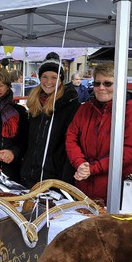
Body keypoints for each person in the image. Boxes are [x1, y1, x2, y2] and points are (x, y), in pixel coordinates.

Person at [66, 62, 132, 204]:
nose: (101, 88)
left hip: (117, 191)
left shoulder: (131, 114)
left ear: (120, 85)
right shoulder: (85, 109)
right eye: (97, 83)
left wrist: (93, 168)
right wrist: (80, 163)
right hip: (84, 186)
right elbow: (71, 138)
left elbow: (131, 151)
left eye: (107, 83)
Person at [20, 52, 80, 188]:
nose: (48, 82)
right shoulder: (34, 102)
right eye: (45, 77)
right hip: (29, 175)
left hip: (54, 178)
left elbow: (71, 144)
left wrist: (65, 179)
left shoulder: (70, 105)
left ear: (61, 80)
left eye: (54, 77)